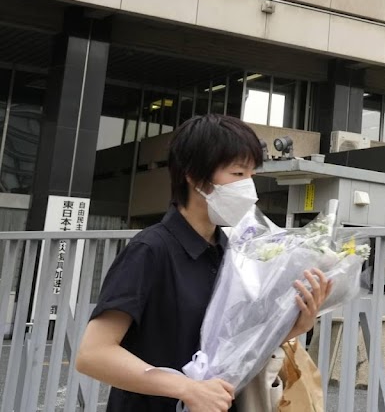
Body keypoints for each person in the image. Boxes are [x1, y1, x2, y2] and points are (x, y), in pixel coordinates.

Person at [75, 115, 334, 412]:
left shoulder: (235, 255)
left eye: (251, 175)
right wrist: (187, 388)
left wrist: (294, 326)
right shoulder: (151, 250)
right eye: (238, 173)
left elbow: (234, 348)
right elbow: (93, 354)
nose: (249, 188)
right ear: (194, 176)